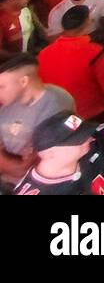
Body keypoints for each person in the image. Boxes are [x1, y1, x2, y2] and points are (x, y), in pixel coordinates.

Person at [0, 54, 74, 185]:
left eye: (2, 87)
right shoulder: (6, 103)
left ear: (23, 81)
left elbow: (29, 167)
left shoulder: (57, 105)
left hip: (38, 186)